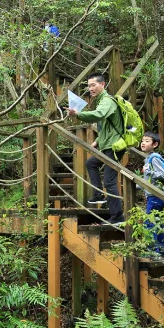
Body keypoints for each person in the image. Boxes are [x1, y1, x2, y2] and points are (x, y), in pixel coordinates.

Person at [65, 73, 125, 224]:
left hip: (114, 146)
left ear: (103, 84)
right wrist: (97, 141)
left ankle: (117, 216)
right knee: (91, 163)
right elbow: (107, 125)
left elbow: (99, 115)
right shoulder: (101, 101)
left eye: (93, 85)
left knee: (110, 182)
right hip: (106, 145)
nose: (90, 88)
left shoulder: (106, 101)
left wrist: (78, 114)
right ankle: (98, 195)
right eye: (89, 85)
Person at [140, 131, 164, 258]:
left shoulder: (154, 158)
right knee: (157, 223)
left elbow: (161, 175)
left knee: (149, 222)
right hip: (155, 195)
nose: (143, 143)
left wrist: (148, 171)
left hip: (156, 196)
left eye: (147, 141)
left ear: (155, 144)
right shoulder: (149, 157)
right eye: (143, 141)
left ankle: (152, 251)